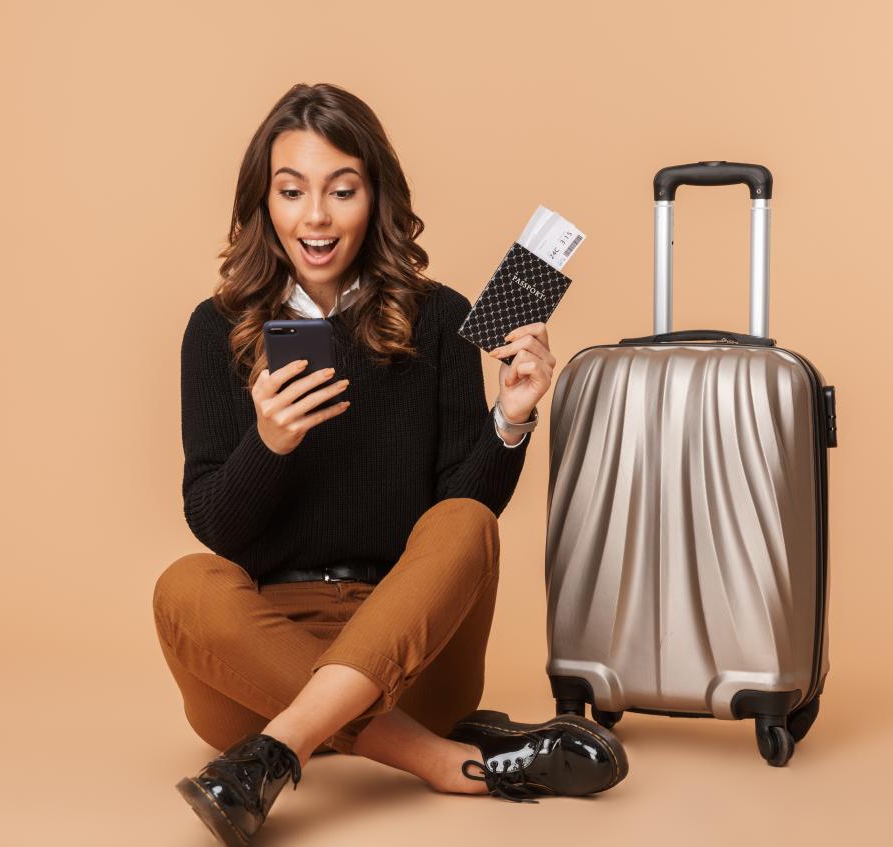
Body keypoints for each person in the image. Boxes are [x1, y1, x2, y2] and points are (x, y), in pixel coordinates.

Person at [152, 82, 629, 846]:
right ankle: (442, 760)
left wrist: (510, 417)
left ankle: (274, 755)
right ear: (261, 203)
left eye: (342, 189)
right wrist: (267, 444)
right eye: (292, 190)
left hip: (408, 651)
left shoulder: (436, 316)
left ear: (375, 198)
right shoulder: (215, 332)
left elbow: (458, 519)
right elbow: (217, 525)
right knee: (185, 583)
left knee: (466, 520)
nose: (316, 215)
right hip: (255, 666)